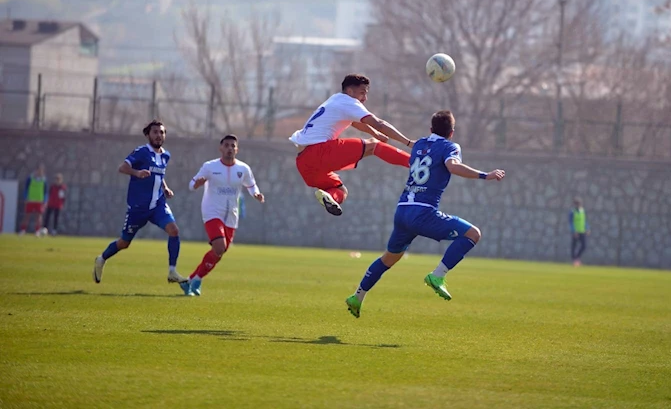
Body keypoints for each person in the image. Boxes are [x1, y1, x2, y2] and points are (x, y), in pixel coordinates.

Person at [344, 110, 505, 318]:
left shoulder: (420, 144)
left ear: (430, 130)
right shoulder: (450, 147)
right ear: (452, 133)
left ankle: (357, 296)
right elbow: (452, 166)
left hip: (402, 210)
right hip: (423, 212)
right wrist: (486, 175)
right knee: (473, 234)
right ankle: (438, 275)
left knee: (388, 259)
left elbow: (414, 147)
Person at [290, 73, 416, 217]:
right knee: (373, 146)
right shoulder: (349, 102)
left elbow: (355, 121)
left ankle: (329, 197)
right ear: (350, 91)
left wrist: (375, 134)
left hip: (303, 163)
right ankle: (415, 163)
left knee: (341, 191)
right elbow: (380, 124)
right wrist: (408, 142)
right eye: (362, 93)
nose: (365, 98)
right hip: (319, 152)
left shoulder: (335, 99)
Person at [93, 120, 188, 285]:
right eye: (155, 132)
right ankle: (101, 259)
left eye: (162, 132)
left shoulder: (165, 155)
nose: (159, 135)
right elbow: (122, 168)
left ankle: (172, 271)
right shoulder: (141, 152)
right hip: (138, 208)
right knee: (124, 243)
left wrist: (165, 188)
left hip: (158, 205)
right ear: (148, 135)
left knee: (174, 231)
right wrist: (137, 173)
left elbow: (159, 175)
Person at [181, 134, 264, 296]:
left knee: (220, 251)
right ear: (221, 148)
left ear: (237, 149)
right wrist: (197, 184)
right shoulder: (210, 166)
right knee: (219, 247)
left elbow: (252, 186)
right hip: (212, 212)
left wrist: (257, 194)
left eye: (233, 146)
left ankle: (193, 279)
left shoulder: (243, 169)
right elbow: (191, 185)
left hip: (231, 215)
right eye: (226, 145)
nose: (229, 149)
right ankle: (194, 280)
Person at [18, 164, 47, 235]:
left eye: (41, 170)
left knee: (38, 216)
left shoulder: (44, 180)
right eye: (39, 170)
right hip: (30, 200)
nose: (40, 172)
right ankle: (23, 230)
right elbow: (26, 188)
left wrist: (45, 200)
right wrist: (25, 197)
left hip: (39, 200)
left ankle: (37, 231)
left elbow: (45, 191)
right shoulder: (30, 178)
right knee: (27, 215)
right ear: (36, 170)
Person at [570, 197, 590, 266]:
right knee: (574, 246)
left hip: (582, 231)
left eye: (580, 203)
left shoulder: (582, 211)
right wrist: (574, 231)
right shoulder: (572, 212)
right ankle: (574, 260)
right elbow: (571, 222)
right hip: (576, 231)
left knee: (584, 246)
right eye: (577, 204)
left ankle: (577, 257)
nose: (579, 205)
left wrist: (587, 228)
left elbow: (584, 221)